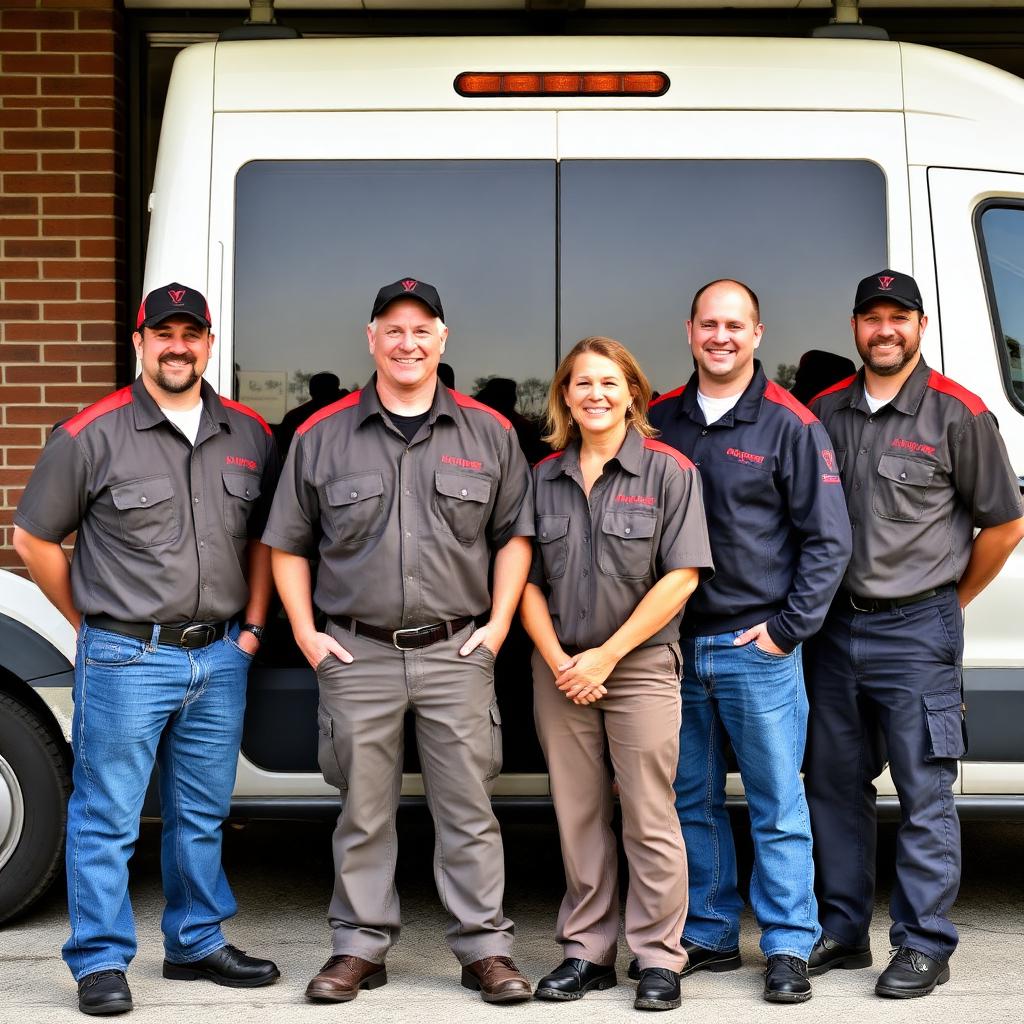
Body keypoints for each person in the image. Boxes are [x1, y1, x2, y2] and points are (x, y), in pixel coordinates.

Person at [263, 277, 536, 1004]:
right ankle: (358, 948)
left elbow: (516, 537)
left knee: (469, 811)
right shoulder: (321, 436)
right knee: (362, 811)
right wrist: (306, 634)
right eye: (394, 329)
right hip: (359, 652)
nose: (408, 343)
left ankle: (485, 950)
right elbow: (287, 544)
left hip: (456, 651)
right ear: (371, 338)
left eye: (423, 330)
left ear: (443, 339)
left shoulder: (489, 432)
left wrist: (499, 626)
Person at [13, 282, 280, 1016]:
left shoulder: (249, 433)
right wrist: (87, 623)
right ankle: (99, 960)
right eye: (162, 333)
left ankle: (196, 941)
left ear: (208, 343)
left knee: (201, 813)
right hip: (126, 657)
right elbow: (33, 539)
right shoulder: (89, 434)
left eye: (190, 333)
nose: (177, 346)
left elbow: (264, 538)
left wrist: (253, 627)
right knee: (108, 814)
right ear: (139, 343)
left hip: (221, 656)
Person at [804, 269, 1024, 998]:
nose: (885, 330)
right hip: (834, 633)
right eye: (872, 317)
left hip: (916, 632)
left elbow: (1006, 522)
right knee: (834, 787)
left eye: (899, 317)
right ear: (855, 328)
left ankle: (924, 943)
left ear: (920, 327)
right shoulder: (825, 413)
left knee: (925, 791)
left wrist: (947, 603)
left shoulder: (959, 414)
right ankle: (842, 932)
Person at [647, 279, 852, 1003]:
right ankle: (706, 932)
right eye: (709, 324)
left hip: (752, 645)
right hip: (671, 649)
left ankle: (788, 945)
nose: (721, 337)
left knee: (775, 803)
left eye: (736, 325)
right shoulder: (658, 418)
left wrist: (785, 633)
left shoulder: (790, 424)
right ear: (690, 329)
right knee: (688, 799)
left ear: (758, 334)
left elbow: (828, 541)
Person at [520, 337, 713, 1011]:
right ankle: (587, 952)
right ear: (565, 397)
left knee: (650, 814)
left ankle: (660, 957)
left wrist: (605, 657)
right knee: (577, 817)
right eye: (581, 384)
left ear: (634, 391)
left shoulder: (669, 472)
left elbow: (681, 578)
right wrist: (560, 662)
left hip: (640, 670)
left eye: (610, 382)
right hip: (560, 669)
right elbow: (526, 583)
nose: (595, 394)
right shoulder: (541, 478)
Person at [275, 371, 348, 453]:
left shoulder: (294, 416)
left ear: (311, 391)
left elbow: (284, 449)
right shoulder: (347, 415)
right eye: (337, 388)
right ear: (335, 391)